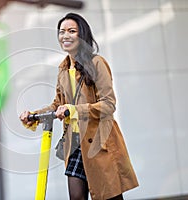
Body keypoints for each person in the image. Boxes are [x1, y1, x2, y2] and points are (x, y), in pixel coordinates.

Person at [19, 13, 139, 200]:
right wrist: (34, 115)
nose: (65, 36)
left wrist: (75, 110)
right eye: (61, 32)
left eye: (71, 31)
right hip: (75, 144)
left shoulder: (97, 63)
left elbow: (109, 104)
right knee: (76, 197)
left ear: (81, 35)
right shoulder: (63, 69)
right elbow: (58, 104)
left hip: (100, 143)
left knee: (109, 197)